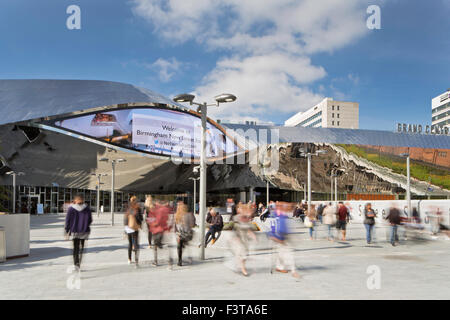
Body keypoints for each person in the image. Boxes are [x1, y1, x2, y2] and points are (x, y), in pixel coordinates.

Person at [267, 202, 300, 279]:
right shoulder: (278, 215)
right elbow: (277, 227)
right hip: (280, 237)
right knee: (288, 254)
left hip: (279, 237)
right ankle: (293, 271)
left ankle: (280, 267)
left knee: (281, 253)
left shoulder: (279, 215)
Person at [64, 194, 93, 272]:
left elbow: (67, 221)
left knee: (75, 248)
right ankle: (78, 264)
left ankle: (76, 265)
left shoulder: (71, 209)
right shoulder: (87, 209)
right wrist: (85, 225)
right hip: (84, 231)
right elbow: (90, 220)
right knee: (81, 248)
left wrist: (67, 230)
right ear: (82, 200)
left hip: (75, 231)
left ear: (75, 200)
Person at [229, 203, 257, 276]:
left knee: (243, 255)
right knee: (242, 254)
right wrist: (235, 237)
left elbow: (249, 229)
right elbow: (233, 228)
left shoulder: (247, 219)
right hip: (237, 239)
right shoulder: (236, 218)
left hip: (245, 240)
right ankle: (243, 268)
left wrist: (252, 235)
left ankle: (238, 266)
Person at [147, 200, 172, 266]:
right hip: (160, 231)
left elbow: (156, 221)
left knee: (158, 246)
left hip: (157, 231)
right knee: (158, 246)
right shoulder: (163, 210)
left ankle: (157, 261)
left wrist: (153, 223)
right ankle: (166, 259)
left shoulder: (157, 211)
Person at [124, 196, 143, 266]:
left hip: (128, 228)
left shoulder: (128, 208)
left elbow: (125, 218)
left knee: (130, 243)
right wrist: (140, 224)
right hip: (135, 228)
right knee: (136, 244)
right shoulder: (137, 208)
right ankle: (136, 260)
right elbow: (140, 218)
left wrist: (125, 228)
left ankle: (129, 259)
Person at [174, 202, 195, 266]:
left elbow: (176, 228)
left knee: (179, 246)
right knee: (181, 244)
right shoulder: (189, 215)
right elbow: (192, 225)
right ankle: (186, 258)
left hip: (182, 235)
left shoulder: (176, 216)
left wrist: (178, 235)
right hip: (187, 234)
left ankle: (180, 260)